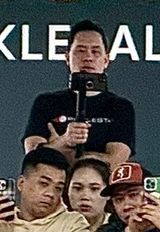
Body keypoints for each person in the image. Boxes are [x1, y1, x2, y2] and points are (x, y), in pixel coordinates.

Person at [23, 20, 135, 168]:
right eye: (80, 51)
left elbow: (115, 161)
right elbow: (32, 156)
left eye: (95, 52)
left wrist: (59, 151)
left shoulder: (120, 107)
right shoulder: (46, 102)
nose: (88, 57)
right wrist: (65, 140)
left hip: (100, 189)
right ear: (67, 58)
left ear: (106, 60)